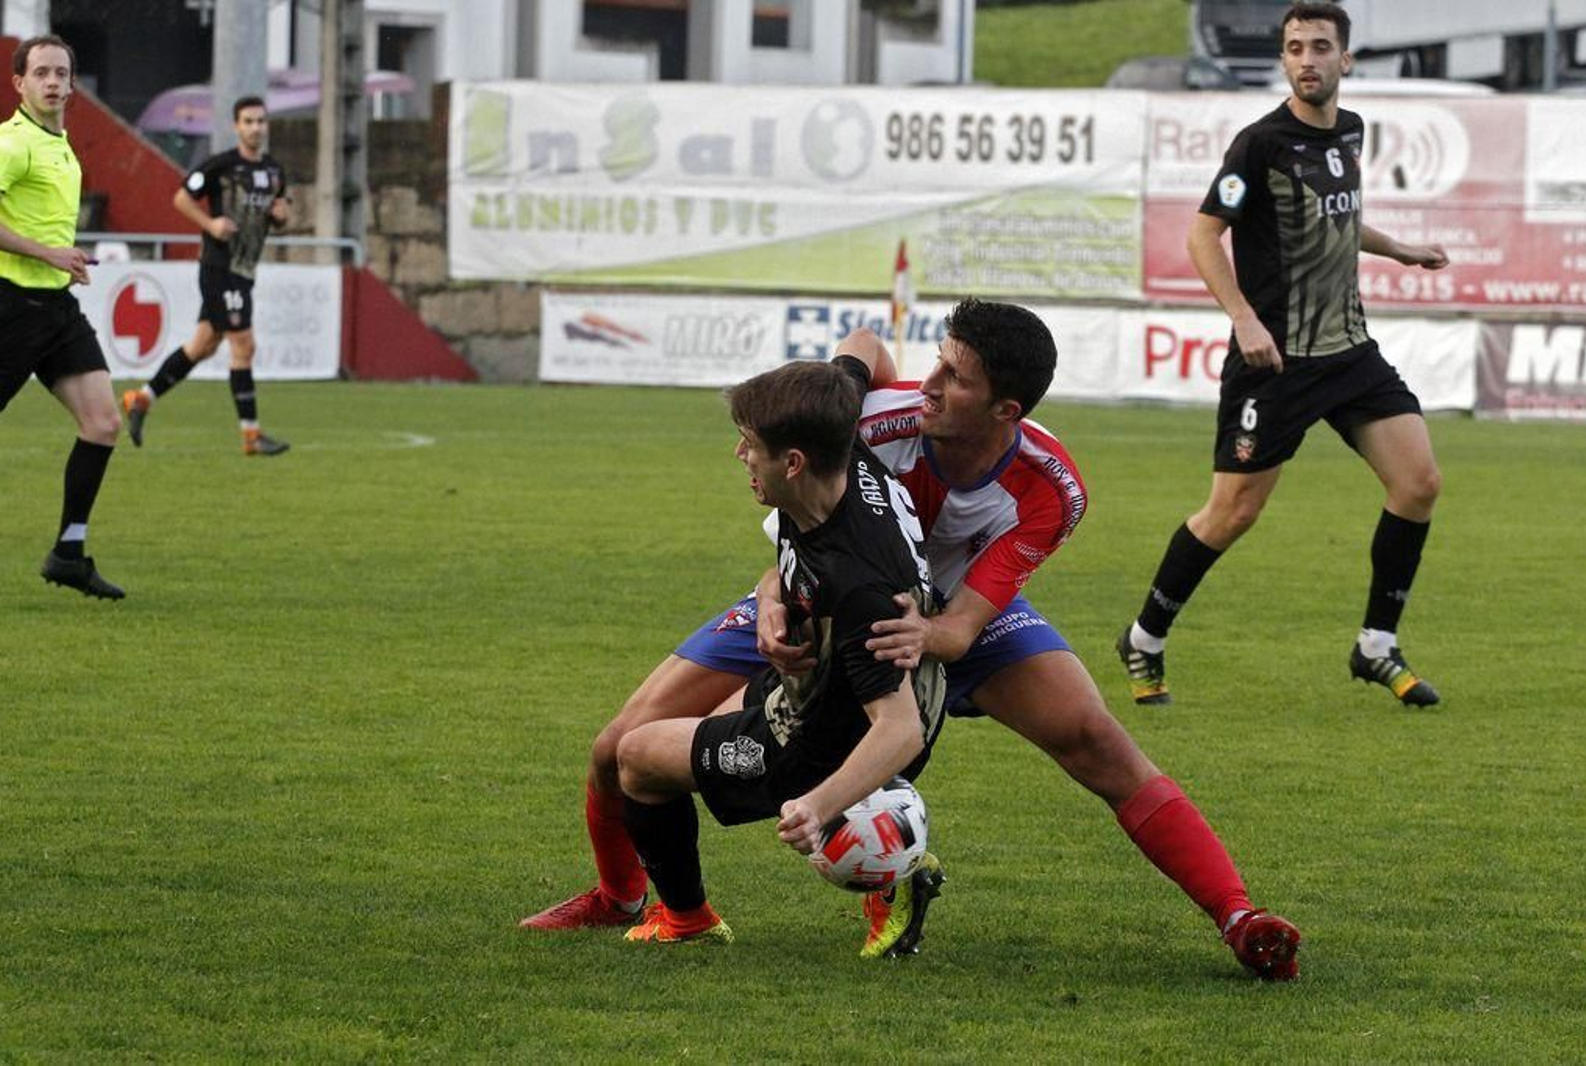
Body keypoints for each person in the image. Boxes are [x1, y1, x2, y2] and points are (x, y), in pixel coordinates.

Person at [526, 301, 1301, 980]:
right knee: (617, 745)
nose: (931, 385)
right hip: (839, 603)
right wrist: (774, 603)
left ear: (1008, 410)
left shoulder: (1051, 488)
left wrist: (876, 635)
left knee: (1098, 742)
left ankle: (1239, 917)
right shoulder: (871, 421)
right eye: (937, 361)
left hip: (952, 616)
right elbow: (857, 364)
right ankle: (620, 896)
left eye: (956, 377)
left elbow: (960, 629)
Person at [1115, 2, 1446, 710]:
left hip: (1350, 351)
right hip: (1275, 361)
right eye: (1294, 47)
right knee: (1231, 513)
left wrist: (1400, 249)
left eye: (1320, 47)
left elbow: (1338, 220)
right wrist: (1243, 320)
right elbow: (1205, 236)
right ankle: (1144, 637)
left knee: (1418, 484)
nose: (1306, 59)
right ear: (1285, 59)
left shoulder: (1350, 132)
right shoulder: (1257, 144)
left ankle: (1376, 646)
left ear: (1345, 60)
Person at [610, 345, 947, 945]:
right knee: (693, 733)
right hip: (819, 686)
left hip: (821, 736)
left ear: (792, 462)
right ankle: (878, 835)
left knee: (636, 756)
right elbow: (865, 344)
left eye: (750, 446)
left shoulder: (860, 587)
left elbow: (899, 730)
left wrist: (815, 806)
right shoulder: (841, 450)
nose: (740, 455)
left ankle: (690, 918)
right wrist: (772, 596)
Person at [0, 35, 125, 599]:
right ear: (18, 83)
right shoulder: (12, 143)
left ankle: (68, 553)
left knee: (103, 423)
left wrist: (63, 258)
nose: (53, 82)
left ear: (73, 84)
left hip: (56, 307)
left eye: (62, 73)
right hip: (10, 306)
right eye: (41, 73)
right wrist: (47, 252)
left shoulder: (61, 143)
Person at [122, 95, 290, 457]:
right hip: (219, 267)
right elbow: (181, 198)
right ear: (236, 126)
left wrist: (280, 216)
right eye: (248, 121)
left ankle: (141, 399)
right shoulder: (220, 166)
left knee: (202, 346)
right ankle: (251, 435)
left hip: (244, 271)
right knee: (244, 345)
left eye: (261, 121)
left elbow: (279, 214)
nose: (256, 127)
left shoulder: (275, 171)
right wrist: (210, 224)